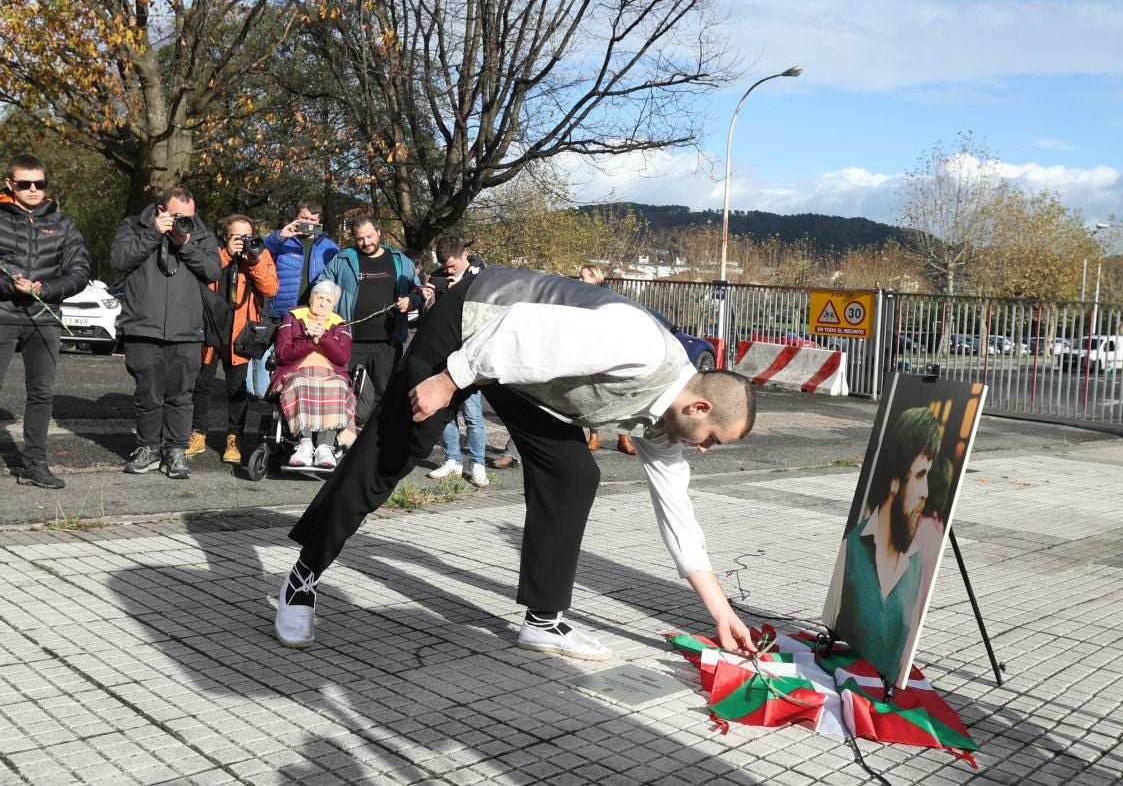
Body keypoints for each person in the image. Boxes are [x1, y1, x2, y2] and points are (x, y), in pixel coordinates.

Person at [273, 265, 760, 662]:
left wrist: (721, 613)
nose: (704, 449)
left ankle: (543, 622)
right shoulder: (640, 347)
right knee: (394, 449)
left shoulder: (668, 421)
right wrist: (449, 380)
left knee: (573, 472)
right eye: (712, 439)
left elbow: (678, 514)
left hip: (521, 371)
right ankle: (301, 578)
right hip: (473, 321)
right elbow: (521, 328)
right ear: (699, 408)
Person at [111, 187, 221, 479]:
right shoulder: (133, 226)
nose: (184, 220)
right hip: (143, 327)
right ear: (161, 210)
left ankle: (175, 451)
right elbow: (119, 260)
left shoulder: (201, 233)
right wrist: (153, 234)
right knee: (147, 394)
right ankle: (148, 448)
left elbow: (212, 270)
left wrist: (185, 243)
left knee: (181, 395)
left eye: (189, 215)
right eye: (177, 216)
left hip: (186, 330)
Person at [830, 406, 942, 683]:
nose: (926, 491)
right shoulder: (852, 548)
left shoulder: (915, 561)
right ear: (895, 480)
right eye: (920, 475)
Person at [0, 155, 91, 489]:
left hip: (45, 315)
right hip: (3, 314)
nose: (34, 189)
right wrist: (11, 285)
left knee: (41, 394)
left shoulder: (63, 224)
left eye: (40, 183)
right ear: (10, 184)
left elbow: (80, 271)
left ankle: (34, 464)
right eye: (25, 184)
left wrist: (48, 288)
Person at [188, 214, 278, 463]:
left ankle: (234, 439)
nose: (243, 241)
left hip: (240, 332)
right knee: (201, 385)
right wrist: (227, 253)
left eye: (247, 236)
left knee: (236, 389)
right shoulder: (213, 252)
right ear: (225, 236)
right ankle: (198, 435)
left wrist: (255, 261)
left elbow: (271, 288)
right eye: (237, 237)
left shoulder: (259, 254)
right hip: (210, 327)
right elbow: (204, 273)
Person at [317, 215, 421, 425]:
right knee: (345, 391)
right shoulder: (343, 259)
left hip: (388, 341)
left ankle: (374, 442)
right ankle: (343, 439)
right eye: (359, 239)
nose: (366, 243)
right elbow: (321, 286)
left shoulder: (400, 260)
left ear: (379, 232)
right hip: (349, 340)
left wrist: (412, 301)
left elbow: (417, 289)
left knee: (385, 393)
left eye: (369, 236)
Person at [423, 235, 488, 487]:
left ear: (465, 254)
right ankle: (452, 459)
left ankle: (478, 463)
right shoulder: (438, 276)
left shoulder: (480, 277)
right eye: (445, 267)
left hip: (469, 355)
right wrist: (428, 297)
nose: (448, 271)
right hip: (443, 351)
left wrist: (457, 293)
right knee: (445, 411)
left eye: (452, 266)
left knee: (472, 413)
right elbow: (429, 318)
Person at [268, 280, 355, 468]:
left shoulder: (340, 324)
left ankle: (325, 447)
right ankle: (305, 444)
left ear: (333, 305)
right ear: (311, 298)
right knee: (300, 382)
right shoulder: (292, 318)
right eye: (320, 297)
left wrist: (324, 336)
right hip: (297, 370)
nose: (323, 303)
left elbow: (342, 357)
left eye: (328, 300)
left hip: (330, 372)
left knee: (339, 385)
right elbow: (282, 353)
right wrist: (310, 342)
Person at [577, 264, 637, 456]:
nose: (579, 280)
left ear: (595, 278)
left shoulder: (607, 299)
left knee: (617, 396)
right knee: (591, 395)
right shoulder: (581, 297)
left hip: (609, 352)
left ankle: (622, 437)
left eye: (582, 277)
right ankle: (594, 436)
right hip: (590, 351)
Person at [262, 200, 339, 320]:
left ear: (319, 221)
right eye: (304, 218)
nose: (308, 223)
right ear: (296, 217)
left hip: (315, 314)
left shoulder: (330, 247)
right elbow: (260, 253)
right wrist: (280, 236)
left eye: (313, 220)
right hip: (283, 313)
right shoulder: (282, 240)